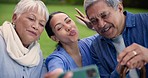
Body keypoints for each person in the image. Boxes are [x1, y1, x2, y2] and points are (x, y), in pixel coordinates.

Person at [75, 0, 148, 78]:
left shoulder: (145, 22)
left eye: (104, 15)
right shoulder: (96, 47)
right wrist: (118, 70)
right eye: (94, 21)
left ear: (119, 8)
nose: (101, 25)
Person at [0, 0, 49, 78]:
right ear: (14, 18)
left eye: (41, 24)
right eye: (31, 19)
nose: (36, 26)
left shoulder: (37, 54)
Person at [44, 11, 97, 78]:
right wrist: (58, 74)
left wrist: (94, 26)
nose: (68, 27)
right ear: (55, 38)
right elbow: (56, 69)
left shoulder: (89, 43)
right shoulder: (57, 58)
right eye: (59, 28)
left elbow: (110, 34)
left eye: (68, 21)